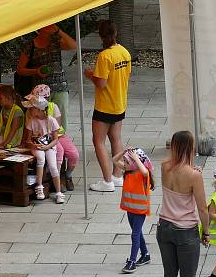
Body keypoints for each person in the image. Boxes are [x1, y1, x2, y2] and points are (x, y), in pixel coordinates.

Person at [157, 131, 210, 277]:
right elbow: (203, 208)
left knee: (169, 276)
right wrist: (206, 231)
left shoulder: (164, 167)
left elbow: (175, 171)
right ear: (190, 148)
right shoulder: (194, 175)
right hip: (186, 230)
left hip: (164, 227)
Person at [86, 20, 132, 193]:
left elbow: (102, 83)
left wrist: (90, 75)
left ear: (100, 35)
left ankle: (107, 181)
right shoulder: (124, 52)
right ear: (116, 33)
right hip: (120, 102)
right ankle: (117, 175)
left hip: (105, 105)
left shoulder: (104, 56)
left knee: (98, 141)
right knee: (116, 138)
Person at [16, 24, 77, 129]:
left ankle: (60, 143)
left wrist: (58, 30)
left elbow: (74, 46)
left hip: (60, 88)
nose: (50, 26)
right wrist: (36, 71)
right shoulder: (31, 46)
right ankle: (47, 143)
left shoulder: (56, 42)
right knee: (42, 122)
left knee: (61, 124)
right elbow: (20, 69)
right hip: (40, 92)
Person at [29, 84, 79, 191]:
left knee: (74, 154)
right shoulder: (32, 111)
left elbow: (57, 126)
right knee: (59, 151)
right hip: (44, 138)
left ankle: (68, 175)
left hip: (56, 135)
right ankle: (56, 178)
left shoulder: (53, 107)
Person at [114, 147, 154, 273]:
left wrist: (136, 158)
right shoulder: (128, 171)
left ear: (135, 163)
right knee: (137, 232)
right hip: (130, 208)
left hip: (140, 210)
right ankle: (145, 255)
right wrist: (124, 151)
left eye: (126, 162)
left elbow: (144, 171)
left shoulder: (143, 174)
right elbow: (114, 160)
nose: (124, 164)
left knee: (135, 234)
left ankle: (132, 261)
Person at [23, 95, 64, 203]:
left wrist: (47, 147)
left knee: (53, 166)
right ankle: (39, 186)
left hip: (49, 146)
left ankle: (58, 192)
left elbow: (55, 140)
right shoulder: (32, 121)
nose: (29, 110)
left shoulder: (51, 120)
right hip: (37, 146)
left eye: (31, 108)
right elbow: (27, 140)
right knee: (41, 158)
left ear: (38, 109)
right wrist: (33, 145)